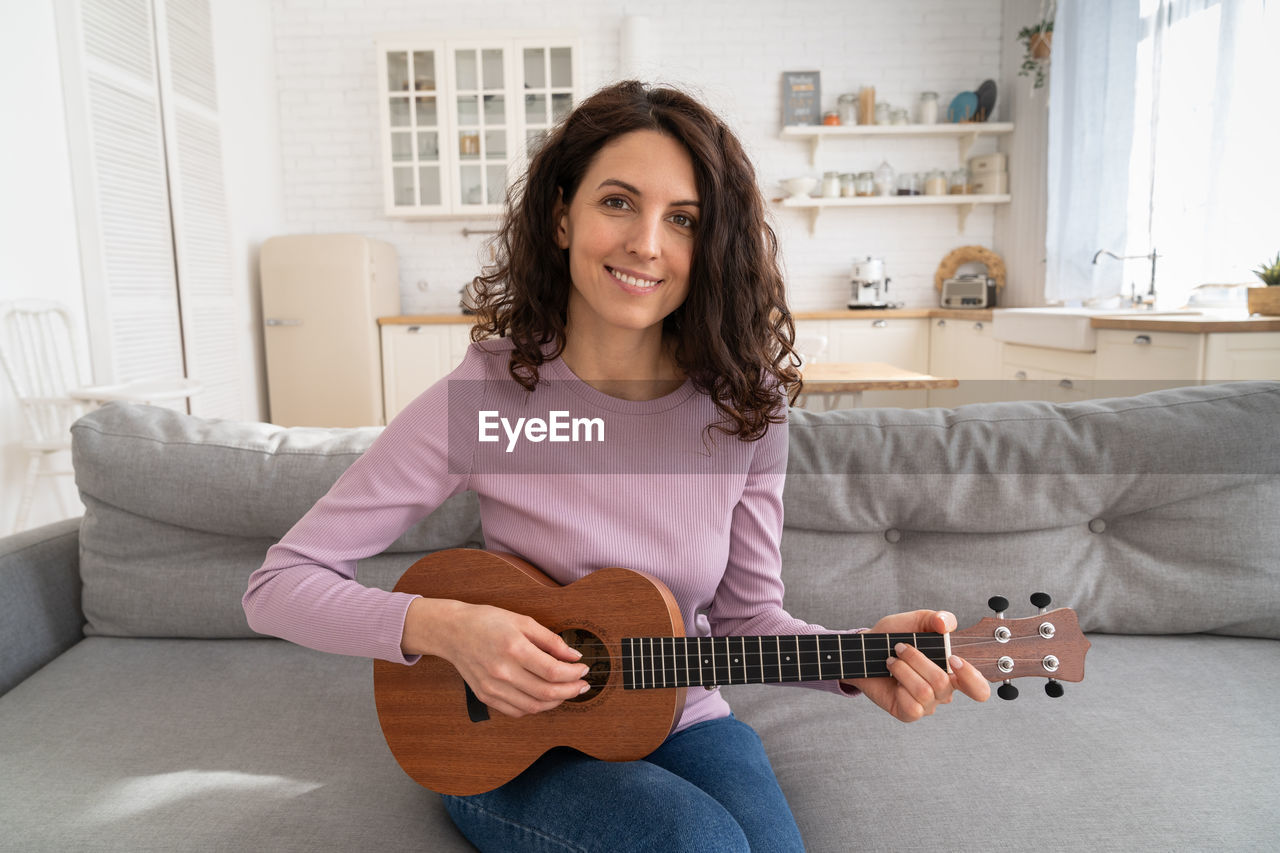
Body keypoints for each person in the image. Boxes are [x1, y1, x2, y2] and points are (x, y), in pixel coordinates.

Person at [243, 80, 990, 852]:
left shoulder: (746, 409)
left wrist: (858, 659)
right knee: (696, 841)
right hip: (507, 743)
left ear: (711, 247)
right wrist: (445, 626)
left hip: (682, 716)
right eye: (619, 203)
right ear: (563, 215)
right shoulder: (487, 398)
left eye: (684, 220)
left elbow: (743, 621)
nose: (647, 244)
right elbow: (277, 587)